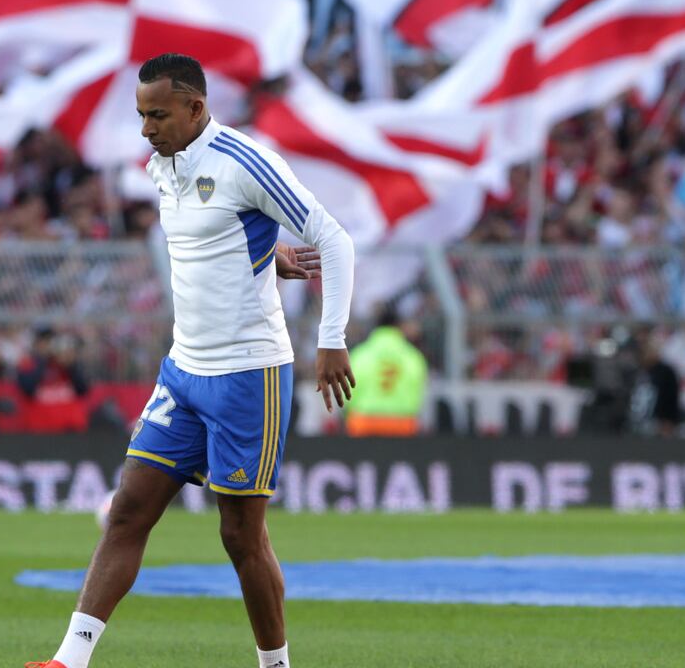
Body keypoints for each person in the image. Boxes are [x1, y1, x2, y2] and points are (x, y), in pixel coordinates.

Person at [28, 54, 355, 668]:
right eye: (140, 115)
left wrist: (331, 338)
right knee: (128, 509)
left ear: (196, 109)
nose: (146, 128)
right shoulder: (161, 165)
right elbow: (219, 241)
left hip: (247, 375)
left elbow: (333, 239)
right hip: (184, 369)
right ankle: (68, 661)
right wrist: (263, 255)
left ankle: (275, 665)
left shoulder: (244, 161)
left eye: (157, 114)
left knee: (240, 536)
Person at [345, 304, 428, 437]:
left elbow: (347, 392)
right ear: (399, 327)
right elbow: (418, 391)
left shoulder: (360, 354)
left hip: (364, 422)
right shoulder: (413, 356)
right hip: (403, 424)